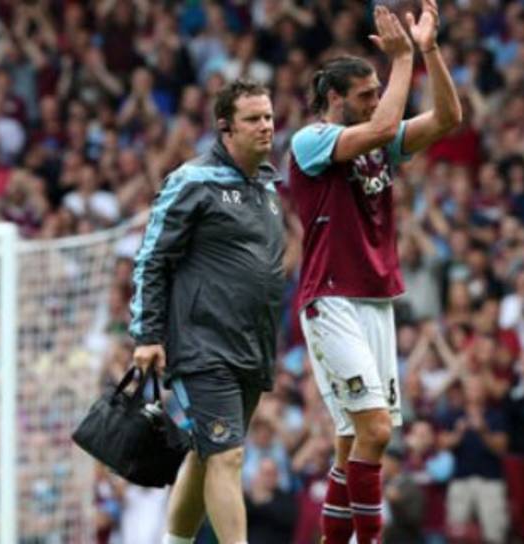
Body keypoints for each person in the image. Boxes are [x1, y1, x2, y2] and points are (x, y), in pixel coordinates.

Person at [288, 1, 462, 541]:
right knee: (377, 430)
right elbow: (386, 123)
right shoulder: (311, 141)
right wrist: (402, 59)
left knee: (352, 441)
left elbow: (448, 118)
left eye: (376, 92)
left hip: (376, 297)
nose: (374, 102)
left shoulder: (379, 145)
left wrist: (429, 51)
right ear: (334, 98)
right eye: (364, 94)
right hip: (332, 297)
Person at [128, 79, 285, 544]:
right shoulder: (192, 181)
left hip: (252, 346)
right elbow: (151, 257)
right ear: (225, 127)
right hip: (203, 345)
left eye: (269, 117)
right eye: (253, 119)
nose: (266, 126)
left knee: (209, 450)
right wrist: (147, 335)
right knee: (228, 455)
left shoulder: (267, 184)